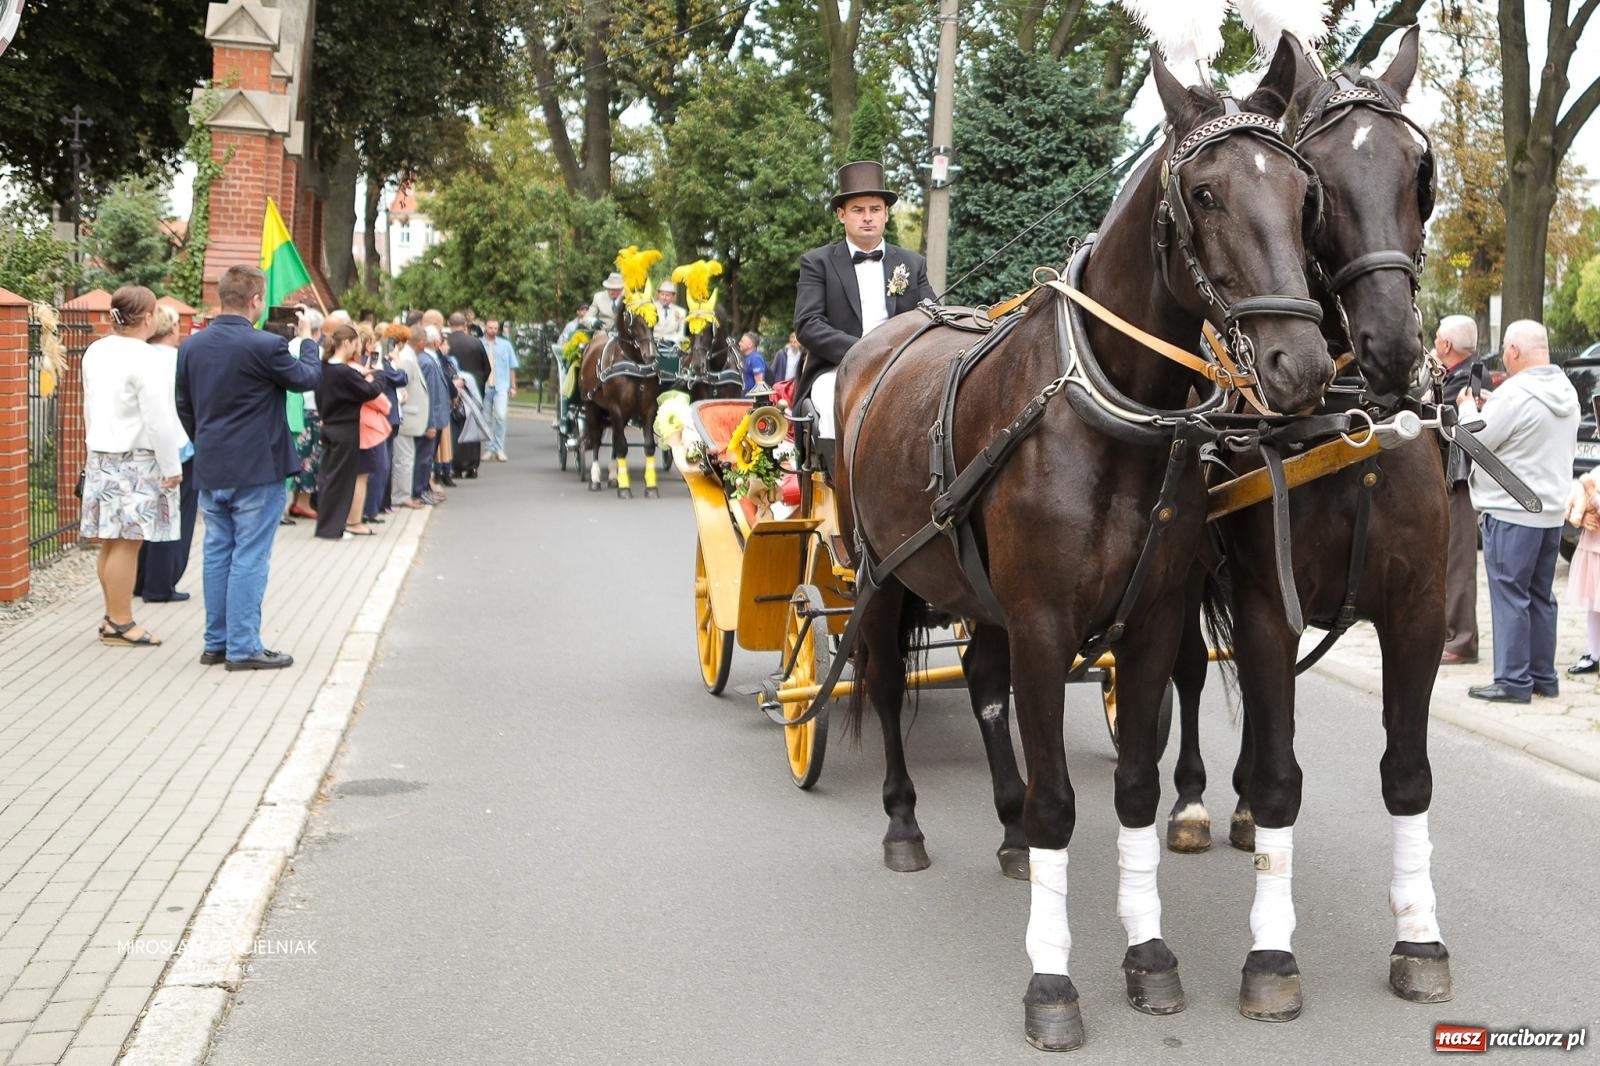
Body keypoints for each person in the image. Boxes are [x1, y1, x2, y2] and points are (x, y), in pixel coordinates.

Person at [177, 264, 320, 670]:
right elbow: (308, 378)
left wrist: (206, 442)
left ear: (223, 296)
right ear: (256, 300)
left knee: (218, 551)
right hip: (257, 467)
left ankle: (216, 643)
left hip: (212, 463)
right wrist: (306, 339)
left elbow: (184, 406)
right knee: (250, 555)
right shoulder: (265, 346)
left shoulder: (191, 346)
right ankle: (243, 647)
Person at [1455, 320, 1579, 703]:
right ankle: (1543, 676)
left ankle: (1511, 680)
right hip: (1551, 512)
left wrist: (1464, 409)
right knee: (1541, 596)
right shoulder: (1564, 390)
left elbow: (1472, 436)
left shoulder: (1516, 393)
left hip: (1512, 511)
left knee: (1510, 594)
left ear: (1512, 351)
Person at [794, 161, 936, 437]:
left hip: (903, 367)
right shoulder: (817, 263)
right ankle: (835, 478)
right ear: (841, 215)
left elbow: (932, 315)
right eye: (858, 210)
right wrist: (862, 352)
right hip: (838, 368)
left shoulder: (912, 263)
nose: (867, 217)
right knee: (826, 399)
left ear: (886, 214)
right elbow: (808, 324)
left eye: (875, 210)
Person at [81, 285, 185, 647]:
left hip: (102, 453)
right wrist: (172, 464)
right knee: (128, 542)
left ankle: (112, 617)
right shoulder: (147, 358)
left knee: (111, 542)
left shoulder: (96, 351)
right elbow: (158, 418)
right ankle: (122, 622)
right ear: (146, 317)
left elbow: (90, 405)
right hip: (136, 459)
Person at [134, 305, 198, 604]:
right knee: (174, 516)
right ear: (172, 329)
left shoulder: (138, 357)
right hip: (179, 445)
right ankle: (161, 584)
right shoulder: (181, 359)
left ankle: (138, 579)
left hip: (140, 447)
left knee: (144, 513)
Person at [1437, 315, 1484, 665]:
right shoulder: (1461, 375)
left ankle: (1461, 641)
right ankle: (1452, 635)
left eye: (1437, 339)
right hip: (1454, 479)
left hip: (1459, 481)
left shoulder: (1464, 381)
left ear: (1447, 346)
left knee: (1458, 562)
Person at [313, 323, 384, 539]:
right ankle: (332, 529)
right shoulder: (344, 372)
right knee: (340, 481)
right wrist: (379, 375)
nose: (357, 348)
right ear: (347, 343)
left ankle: (327, 526)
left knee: (328, 478)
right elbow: (369, 391)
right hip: (345, 429)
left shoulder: (324, 367)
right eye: (356, 343)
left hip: (329, 425)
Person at [391, 326, 431, 510]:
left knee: (407, 457)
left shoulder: (408, 355)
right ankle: (401, 495)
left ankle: (402, 494)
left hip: (409, 414)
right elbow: (400, 383)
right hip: (406, 414)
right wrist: (401, 398)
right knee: (404, 458)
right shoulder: (406, 358)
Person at [446, 312, 490, 477]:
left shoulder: (446, 343)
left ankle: (456, 464)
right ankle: (472, 465)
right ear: (465, 326)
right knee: (473, 424)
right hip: (474, 390)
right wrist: (479, 384)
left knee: (455, 427)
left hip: (454, 389)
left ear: (450, 325)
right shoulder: (476, 342)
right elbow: (487, 368)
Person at [1566, 472, 1600, 675]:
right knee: (1594, 606)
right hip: (1593, 548)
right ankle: (1594, 653)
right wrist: (1581, 517)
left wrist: (1591, 493)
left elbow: (1588, 487)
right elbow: (1575, 489)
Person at [483, 318, 516, 462]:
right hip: (484, 386)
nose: (492, 331)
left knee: (501, 416)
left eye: (495, 328)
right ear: (485, 328)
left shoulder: (505, 345)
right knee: (486, 419)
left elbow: (511, 366)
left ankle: (499, 448)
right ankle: (489, 448)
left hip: (501, 385)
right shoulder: (479, 344)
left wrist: (513, 386)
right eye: (490, 328)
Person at [653, 281, 687, 346]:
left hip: (671, 346)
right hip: (653, 344)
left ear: (673, 297)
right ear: (658, 294)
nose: (664, 298)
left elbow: (681, 333)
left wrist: (669, 339)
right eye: (662, 294)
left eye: (667, 295)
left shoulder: (680, 312)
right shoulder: (651, 309)